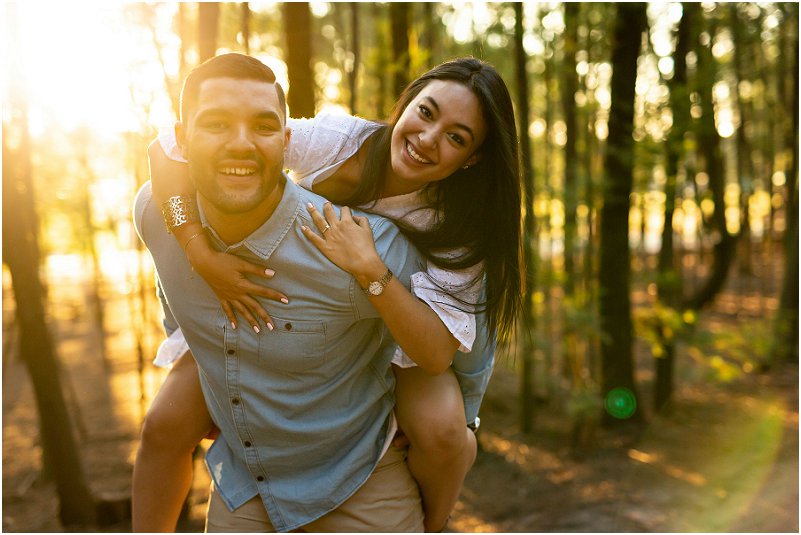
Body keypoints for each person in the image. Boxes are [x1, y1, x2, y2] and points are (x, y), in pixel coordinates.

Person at [137, 56, 522, 532]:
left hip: (403, 324)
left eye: (456, 137)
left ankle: (435, 522)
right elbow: (172, 148)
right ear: (406, 105)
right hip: (300, 305)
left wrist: (369, 269)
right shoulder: (342, 143)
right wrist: (200, 252)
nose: (427, 139)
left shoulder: (463, 227)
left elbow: (437, 351)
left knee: (443, 432)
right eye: (426, 112)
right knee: (163, 426)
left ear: (473, 158)